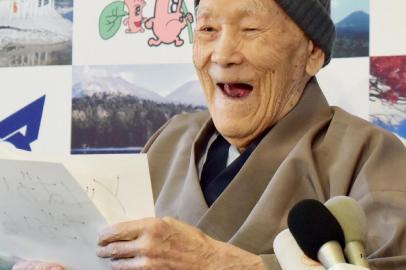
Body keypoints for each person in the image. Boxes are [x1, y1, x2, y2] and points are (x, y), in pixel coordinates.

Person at [5, 0, 406, 269]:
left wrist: (222, 263)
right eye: (208, 29)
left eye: (250, 29)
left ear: (312, 53)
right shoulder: (170, 140)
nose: (223, 54)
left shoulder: (370, 154)